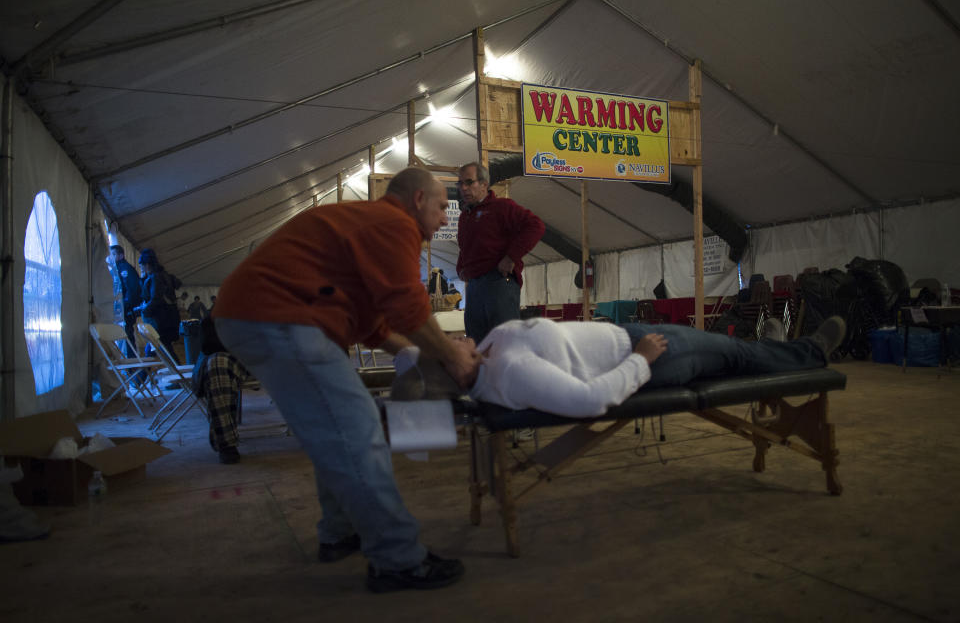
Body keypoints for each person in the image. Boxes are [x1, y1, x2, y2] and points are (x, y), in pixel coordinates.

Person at [212, 166, 479, 593]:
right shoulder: (394, 224)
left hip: (263, 314)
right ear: (416, 201)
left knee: (341, 429)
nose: (446, 218)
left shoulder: (367, 224)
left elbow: (375, 324)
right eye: (442, 206)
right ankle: (397, 559)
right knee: (358, 432)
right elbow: (408, 309)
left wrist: (416, 354)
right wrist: (456, 360)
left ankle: (340, 532)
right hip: (279, 315)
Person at [393, 316, 847, 419]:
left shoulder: (489, 351)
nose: (451, 338)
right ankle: (811, 351)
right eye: (445, 347)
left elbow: (407, 362)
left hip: (629, 332)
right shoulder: (510, 373)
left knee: (734, 355)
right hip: (653, 354)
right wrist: (641, 359)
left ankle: (774, 351)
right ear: (455, 370)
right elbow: (590, 401)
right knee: (735, 354)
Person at [456, 162, 544, 343]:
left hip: (498, 283)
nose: (463, 188)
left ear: (484, 184)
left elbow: (536, 226)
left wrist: (511, 256)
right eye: (460, 183)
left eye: (469, 182)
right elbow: (465, 246)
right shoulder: (465, 216)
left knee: (504, 344)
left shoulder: (502, 207)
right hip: (474, 287)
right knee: (476, 343)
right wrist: (461, 268)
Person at [191, 315, 250, 464]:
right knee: (218, 364)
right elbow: (209, 346)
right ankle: (226, 443)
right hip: (229, 356)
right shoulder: (216, 317)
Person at [134, 248, 182, 364]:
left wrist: (144, 310)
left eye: (142, 266)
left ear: (147, 264)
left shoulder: (155, 277)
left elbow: (156, 299)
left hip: (161, 321)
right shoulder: (163, 275)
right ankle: (180, 377)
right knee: (162, 349)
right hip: (167, 319)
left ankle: (181, 377)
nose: (142, 268)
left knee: (161, 349)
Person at [108, 245, 142, 356]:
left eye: (114, 254)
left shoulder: (125, 269)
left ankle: (132, 366)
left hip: (126, 311)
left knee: (127, 336)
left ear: (121, 255)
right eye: (110, 254)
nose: (111, 257)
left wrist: (126, 306)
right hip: (120, 310)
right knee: (122, 337)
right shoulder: (115, 269)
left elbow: (133, 290)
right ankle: (128, 365)